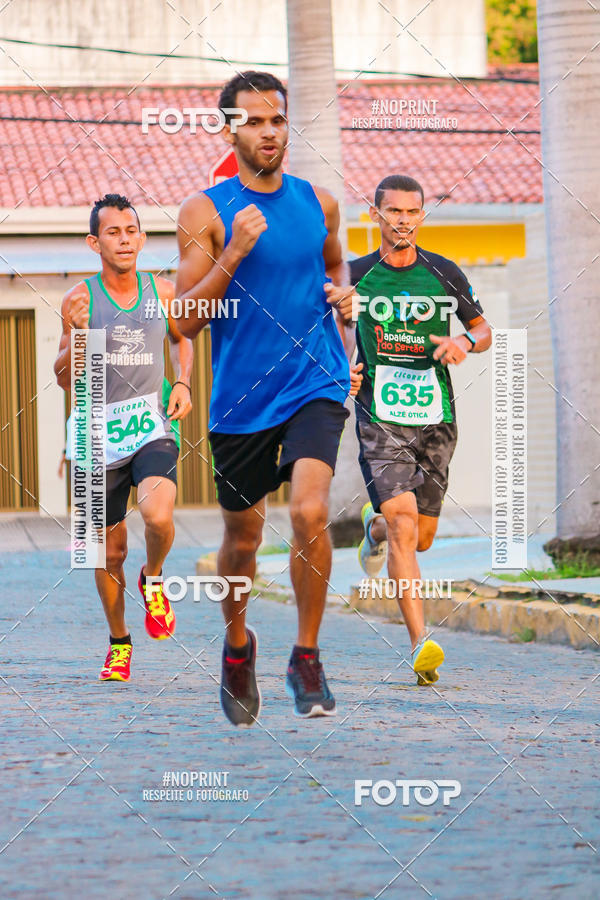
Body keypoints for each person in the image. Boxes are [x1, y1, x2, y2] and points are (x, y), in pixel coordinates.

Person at [176, 71, 361, 725]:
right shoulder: (204, 211)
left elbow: (334, 263)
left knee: (310, 511)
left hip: (314, 378)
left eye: (277, 119)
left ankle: (306, 656)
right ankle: (237, 646)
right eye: (253, 121)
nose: (269, 132)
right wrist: (235, 250)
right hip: (241, 398)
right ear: (230, 130)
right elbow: (184, 320)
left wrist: (343, 301)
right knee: (243, 539)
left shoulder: (319, 203)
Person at [330, 174, 492, 685]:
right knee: (403, 524)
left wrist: (464, 342)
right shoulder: (354, 276)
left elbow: (483, 330)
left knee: (419, 538)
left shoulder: (443, 273)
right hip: (380, 416)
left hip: (436, 416)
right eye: (393, 211)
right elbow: (321, 333)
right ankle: (421, 645)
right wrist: (342, 367)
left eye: (411, 212)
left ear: (422, 215)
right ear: (375, 215)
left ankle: (373, 529)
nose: (402, 220)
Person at [54, 194, 194, 682]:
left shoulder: (164, 291)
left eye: (131, 231)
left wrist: (183, 381)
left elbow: (182, 338)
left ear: (143, 237)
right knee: (107, 552)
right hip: (95, 434)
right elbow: (63, 378)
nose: (124, 240)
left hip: (150, 424)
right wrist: (78, 337)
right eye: (113, 233)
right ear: (95, 243)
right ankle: (119, 643)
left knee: (158, 515)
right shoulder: (80, 299)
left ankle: (153, 577)